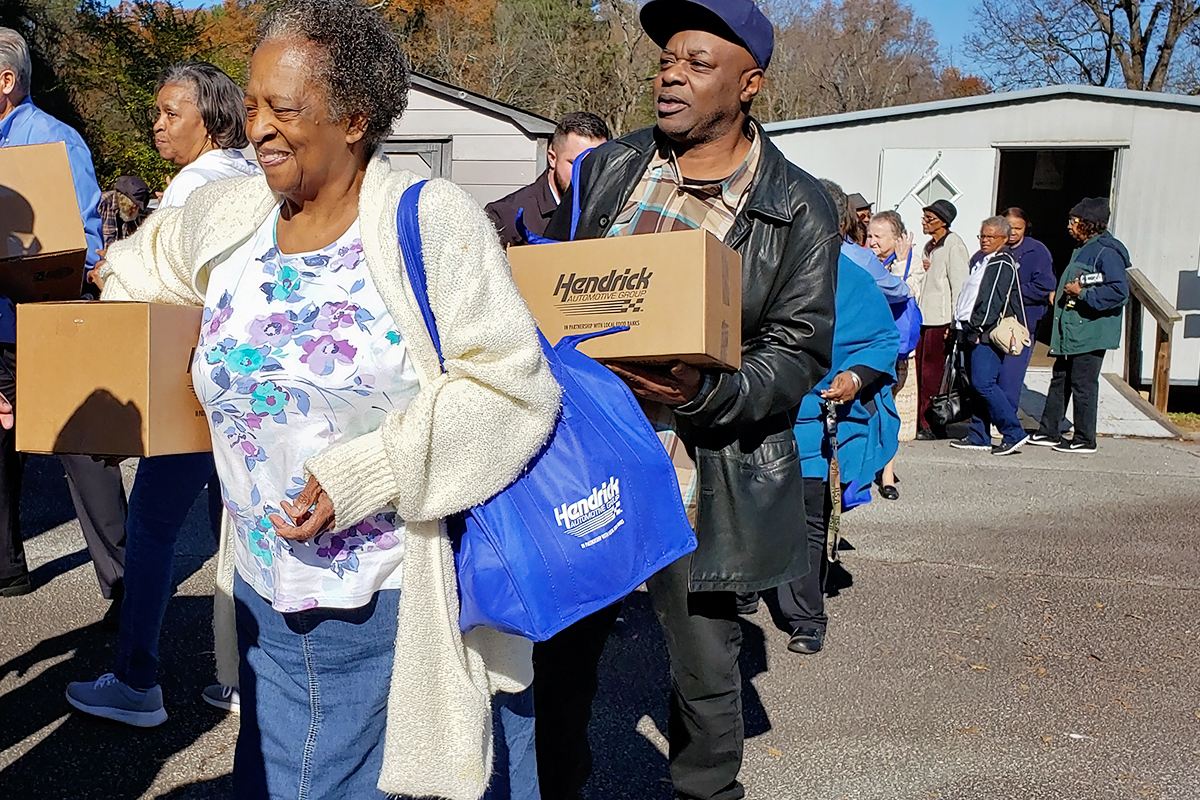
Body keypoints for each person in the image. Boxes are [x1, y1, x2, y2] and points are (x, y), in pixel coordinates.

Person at [91, 2, 561, 798]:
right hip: (262, 592)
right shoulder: (230, 213)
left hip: (381, 593)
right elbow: (141, 269)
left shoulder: (427, 219)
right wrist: (105, 367)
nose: (259, 127)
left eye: (284, 108)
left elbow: (513, 388)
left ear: (354, 118)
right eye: (251, 105)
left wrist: (368, 473)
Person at [533, 2, 838, 798]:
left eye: (698, 62)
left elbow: (799, 350)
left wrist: (706, 390)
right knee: (558, 655)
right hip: (590, 450)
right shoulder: (613, 167)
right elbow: (572, 289)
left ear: (750, 85)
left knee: (704, 671)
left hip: (706, 467)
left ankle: (707, 791)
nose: (671, 73)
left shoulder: (799, 204)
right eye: (668, 59)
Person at [68, 61, 260, 727]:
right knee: (235, 528)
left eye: (170, 112)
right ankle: (241, 678)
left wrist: (111, 274)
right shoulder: (255, 175)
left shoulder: (192, 187)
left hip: (190, 384)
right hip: (247, 386)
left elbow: (152, 292)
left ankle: (135, 680)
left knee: (151, 527)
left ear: (211, 119)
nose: (157, 124)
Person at [0, 27, 128, 607]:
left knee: (83, 452)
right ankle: (7, 567)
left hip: (49, 321)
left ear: (6, 81)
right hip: (0, 328)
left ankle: (125, 585)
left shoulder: (54, 141)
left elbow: (84, 238)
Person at [770, 252, 899, 655]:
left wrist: (856, 376)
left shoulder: (851, 277)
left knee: (809, 518)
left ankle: (807, 617)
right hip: (757, 410)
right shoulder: (757, 261)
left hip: (816, 420)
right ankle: (747, 585)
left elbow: (882, 340)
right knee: (754, 511)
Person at [1029, 198, 1129, 454]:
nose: (1069, 226)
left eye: (1074, 221)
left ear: (1088, 224)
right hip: (1072, 331)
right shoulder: (1082, 249)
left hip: (1091, 331)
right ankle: (1049, 431)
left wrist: (1081, 293)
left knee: (1083, 384)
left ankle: (1085, 439)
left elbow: (1118, 291)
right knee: (1060, 379)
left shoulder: (1107, 252)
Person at [948, 216, 1029, 455]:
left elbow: (992, 299)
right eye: (982, 235)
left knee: (984, 383)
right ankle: (979, 435)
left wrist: (977, 328)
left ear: (1004, 239)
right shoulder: (983, 261)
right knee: (975, 386)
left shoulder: (1001, 262)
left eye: (990, 236)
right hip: (969, 330)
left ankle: (1013, 432)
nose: (984, 240)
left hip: (985, 334)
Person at [486, 112, 610, 247]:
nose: (587, 174)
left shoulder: (613, 213)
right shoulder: (503, 217)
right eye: (577, 164)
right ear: (552, 158)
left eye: (596, 165)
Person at [865, 210, 915, 499]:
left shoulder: (907, 264)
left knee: (889, 408)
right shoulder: (865, 260)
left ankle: (887, 475)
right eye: (869, 235)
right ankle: (869, 463)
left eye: (878, 236)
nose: (871, 241)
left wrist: (902, 264)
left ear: (897, 239)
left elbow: (908, 292)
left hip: (895, 347)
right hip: (869, 342)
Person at [914, 198, 970, 439]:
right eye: (924, 217)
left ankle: (933, 423)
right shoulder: (930, 246)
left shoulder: (954, 245)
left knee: (933, 374)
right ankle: (919, 420)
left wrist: (956, 324)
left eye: (930, 218)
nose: (925, 222)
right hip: (924, 317)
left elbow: (960, 287)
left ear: (944, 221)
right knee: (919, 372)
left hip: (941, 320)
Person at [997, 206, 1056, 414]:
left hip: (1023, 321)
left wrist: (1010, 290)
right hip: (994, 320)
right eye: (1008, 227)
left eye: (1018, 228)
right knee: (990, 373)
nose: (1012, 232)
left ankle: (1006, 418)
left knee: (1011, 374)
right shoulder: (994, 246)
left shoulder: (1037, 251)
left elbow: (1045, 286)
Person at [97, 175, 151, 248]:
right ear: (122, 200)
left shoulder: (141, 213)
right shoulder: (102, 204)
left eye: (138, 208)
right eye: (132, 207)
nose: (135, 211)